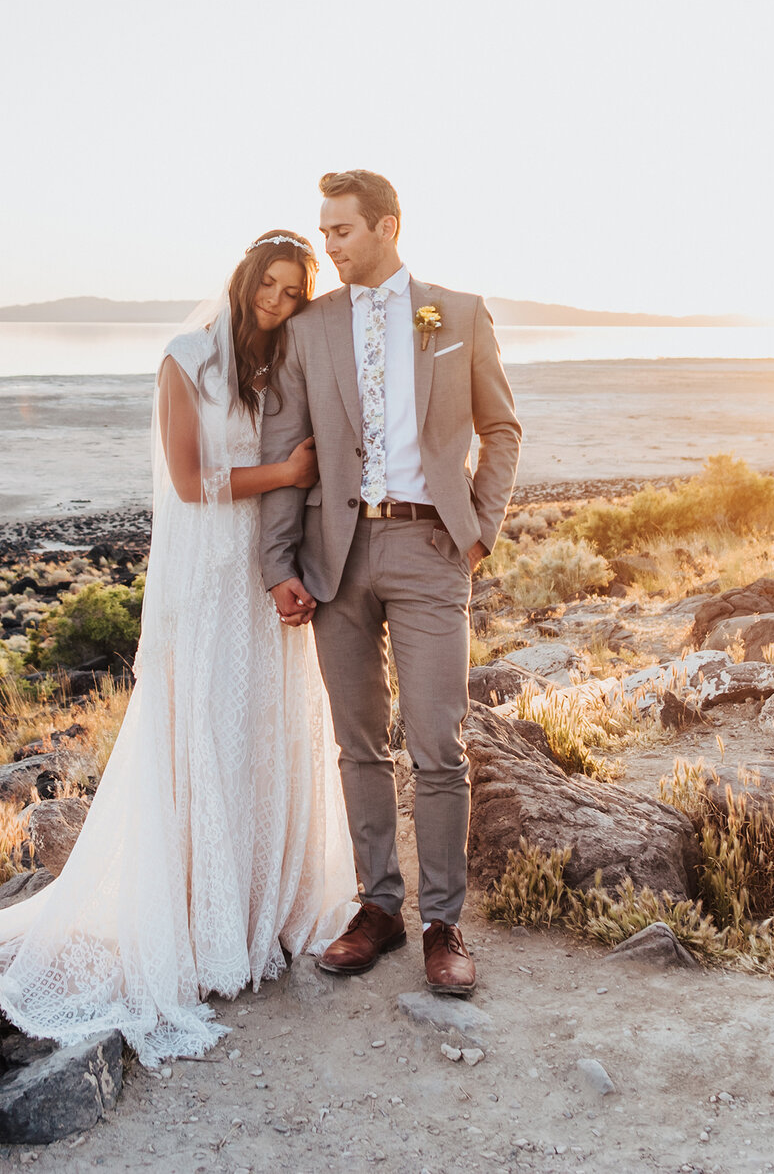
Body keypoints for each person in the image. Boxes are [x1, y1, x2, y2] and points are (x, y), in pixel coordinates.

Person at [0, 229, 356, 1063]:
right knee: (201, 733)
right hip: (204, 572)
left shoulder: (282, 364)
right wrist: (288, 475)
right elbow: (187, 478)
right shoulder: (185, 358)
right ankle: (202, 927)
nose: (277, 303)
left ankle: (262, 909)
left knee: (261, 735)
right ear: (243, 282)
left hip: (261, 569)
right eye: (267, 287)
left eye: (292, 293)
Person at [259, 169, 523, 997]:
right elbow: (285, 444)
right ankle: (379, 907)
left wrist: (477, 531)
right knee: (358, 742)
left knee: (437, 742)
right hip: (334, 556)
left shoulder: (460, 313)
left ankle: (445, 922)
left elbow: (501, 426)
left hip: (428, 548)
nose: (328, 246)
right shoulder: (311, 326)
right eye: (325, 230)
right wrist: (279, 565)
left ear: (387, 226)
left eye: (341, 230)